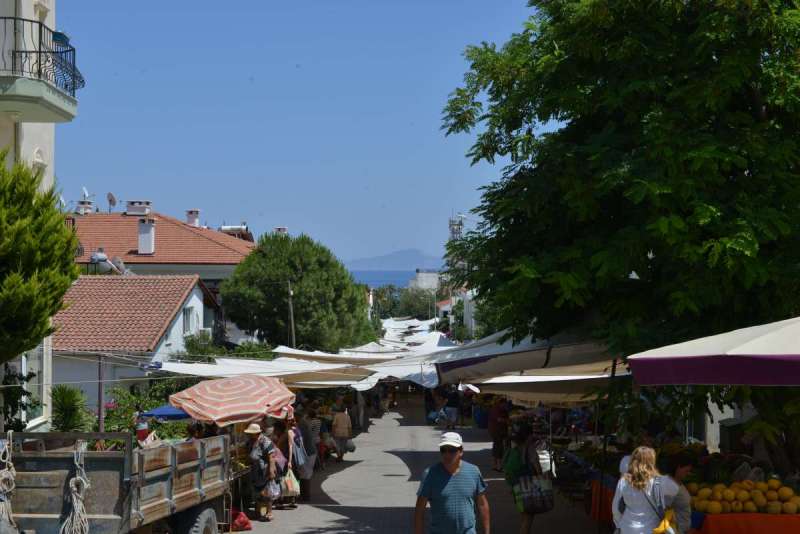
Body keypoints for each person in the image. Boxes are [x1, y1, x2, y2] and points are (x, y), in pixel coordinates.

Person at [414, 432, 490, 534]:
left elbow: (482, 504)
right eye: (443, 450)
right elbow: (419, 510)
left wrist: (487, 532)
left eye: (452, 450)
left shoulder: (473, 471)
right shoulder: (430, 474)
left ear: (461, 451)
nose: (447, 454)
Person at [612, 446, 678, 534]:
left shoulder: (624, 481)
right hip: (651, 530)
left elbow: (616, 508)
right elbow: (675, 489)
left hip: (627, 528)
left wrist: (619, 524)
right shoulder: (659, 481)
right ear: (652, 462)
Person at [502, 425, 537, 534]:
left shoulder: (514, 446)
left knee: (524, 512)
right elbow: (536, 464)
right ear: (529, 435)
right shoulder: (529, 447)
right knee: (528, 516)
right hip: (526, 484)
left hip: (515, 484)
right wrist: (542, 477)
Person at [246, 423, 276, 522]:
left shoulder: (265, 441)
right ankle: (257, 511)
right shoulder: (251, 441)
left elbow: (271, 457)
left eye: (251, 433)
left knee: (266, 492)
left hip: (264, 470)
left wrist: (271, 471)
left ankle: (269, 512)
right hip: (255, 470)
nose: (249, 435)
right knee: (256, 492)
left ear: (257, 433)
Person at [665, 451, 694, 534]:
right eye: (686, 471)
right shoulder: (669, 486)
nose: (688, 474)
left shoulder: (678, 483)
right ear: (678, 468)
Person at [273, 420, 297, 509]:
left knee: (283, 479)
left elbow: (291, 447)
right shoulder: (282, 435)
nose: (274, 430)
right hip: (283, 459)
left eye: (275, 429)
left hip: (285, 460)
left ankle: (284, 500)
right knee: (286, 479)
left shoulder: (285, 435)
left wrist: (290, 461)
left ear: (279, 429)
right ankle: (291, 499)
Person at [488, 397, 509, 472]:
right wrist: (508, 420)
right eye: (504, 404)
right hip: (497, 431)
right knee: (499, 447)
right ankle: (499, 465)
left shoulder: (499, 409)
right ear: (501, 403)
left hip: (497, 430)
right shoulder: (496, 409)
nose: (505, 405)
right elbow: (499, 419)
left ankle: (495, 464)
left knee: (496, 446)